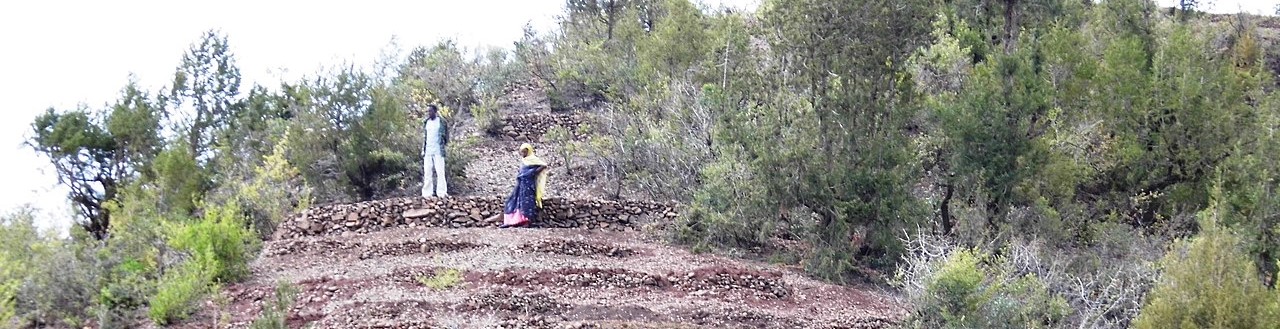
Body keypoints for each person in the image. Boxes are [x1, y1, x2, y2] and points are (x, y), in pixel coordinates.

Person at [500, 143, 550, 228]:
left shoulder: (533, 159)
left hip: (529, 185)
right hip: (521, 185)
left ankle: (527, 221)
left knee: (528, 203)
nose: (523, 154)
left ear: (529, 151)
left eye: (525, 152)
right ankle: (517, 220)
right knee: (516, 201)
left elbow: (543, 165)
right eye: (522, 152)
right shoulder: (524, 161)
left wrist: (531, 173)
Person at [421, 104, 449, 198]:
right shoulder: (426, 122)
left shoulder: (441, 122)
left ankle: (441, 193)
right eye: (428, 111)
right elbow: (425, 137)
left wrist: (443, 145)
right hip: (428, 150)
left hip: (438, 150)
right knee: (427, 172)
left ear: (435, 112)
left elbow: (446, 136)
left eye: (430, 111)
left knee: (440, 171)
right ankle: (427, 193)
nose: (429, 113)